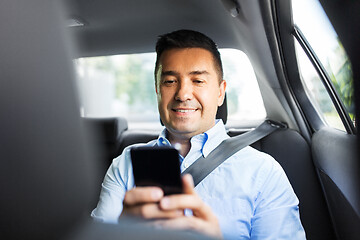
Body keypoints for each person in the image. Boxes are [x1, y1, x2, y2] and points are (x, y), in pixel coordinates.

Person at [91, 29, 306, 239]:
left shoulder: (263, 172)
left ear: (221, 92)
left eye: (198, 81)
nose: (183, 94)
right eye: (170, 81)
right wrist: (123, 231)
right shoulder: (125, 164)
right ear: (158, 90)